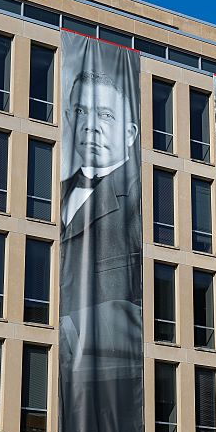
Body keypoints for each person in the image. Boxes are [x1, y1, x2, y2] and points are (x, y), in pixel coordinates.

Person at [58, 68, 142, 378]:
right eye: (82, 111)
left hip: (108, 384)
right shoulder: (51, 193)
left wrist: (75, 330)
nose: (91, 126)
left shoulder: (144, 202)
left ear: (130, 134)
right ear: (70, 118)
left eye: (105, 115)